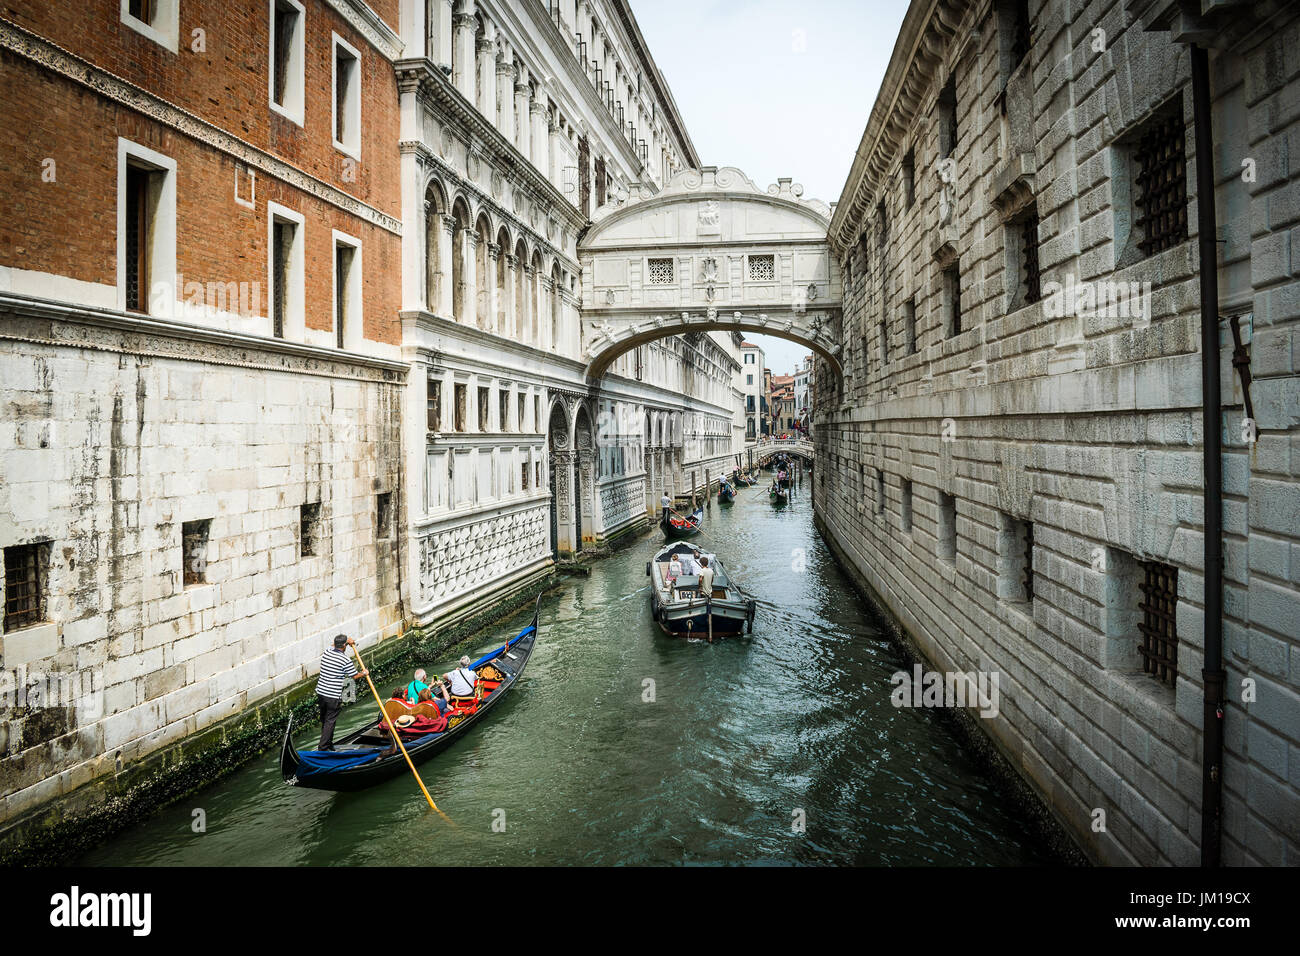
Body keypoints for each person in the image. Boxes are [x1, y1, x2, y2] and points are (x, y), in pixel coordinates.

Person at [316, 634, 367, 751]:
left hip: (321, 692)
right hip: (333, 695)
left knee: (325, 719)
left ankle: (328, 744)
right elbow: (354, 676)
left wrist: (346, 641)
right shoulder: (345, 660)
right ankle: (323, 748)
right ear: (344, 646)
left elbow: (333, 644)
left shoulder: (327, 651)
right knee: (330, 721)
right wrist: (364, 673)